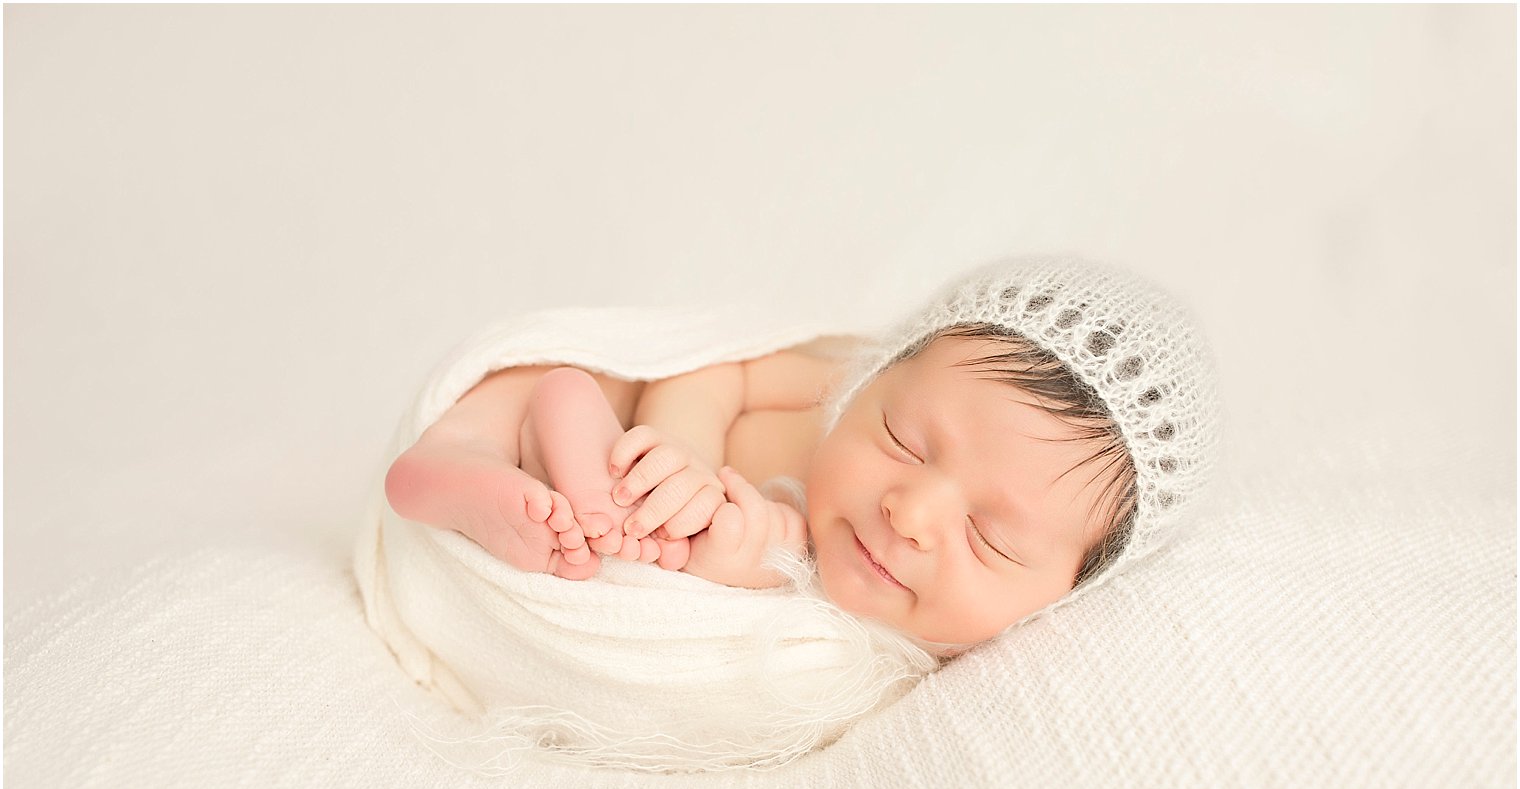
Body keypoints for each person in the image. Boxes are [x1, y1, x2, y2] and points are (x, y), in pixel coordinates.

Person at [382, 257, 1216, 656]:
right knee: (553, 383)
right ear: (876, 374)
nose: (912, 512)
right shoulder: (829, 384)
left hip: (637, 516)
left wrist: (749, 553)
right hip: (643, 437)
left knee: (610, 535)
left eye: (992, 539)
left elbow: (773, 560)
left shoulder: (911, 633)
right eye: (903, 440)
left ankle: (545, 467)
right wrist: (681, 448)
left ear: (1070, 591)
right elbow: (719, 363)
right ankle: (470, 449)